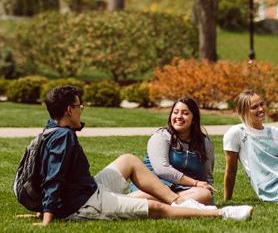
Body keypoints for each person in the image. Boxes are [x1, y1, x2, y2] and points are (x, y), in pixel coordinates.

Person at [17, 86, 252, 226]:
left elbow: (44, 172)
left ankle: (179, 201)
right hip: (83, 203)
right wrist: (48, 216)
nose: (81, 110)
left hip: (86, 189)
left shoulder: (52, 129)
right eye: (80, 106)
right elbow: (52, 177)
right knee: (154, 209)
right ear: (70, 110)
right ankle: (222, 213)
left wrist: (42, 208)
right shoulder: (63, 137)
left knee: (129, 159)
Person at [127, 97, 216, 205]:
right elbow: (162, 169)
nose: (179, 116)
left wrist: (209, 203)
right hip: (154, 186)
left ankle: (161, 205)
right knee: (164, 189)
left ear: (194, 119)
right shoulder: (162, 136)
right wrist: (195, 183)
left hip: (183, 190)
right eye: (175, 112)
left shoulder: (206, 143)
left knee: (204, 194)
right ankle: (123, 200)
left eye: (185, 113)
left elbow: (206, 177)